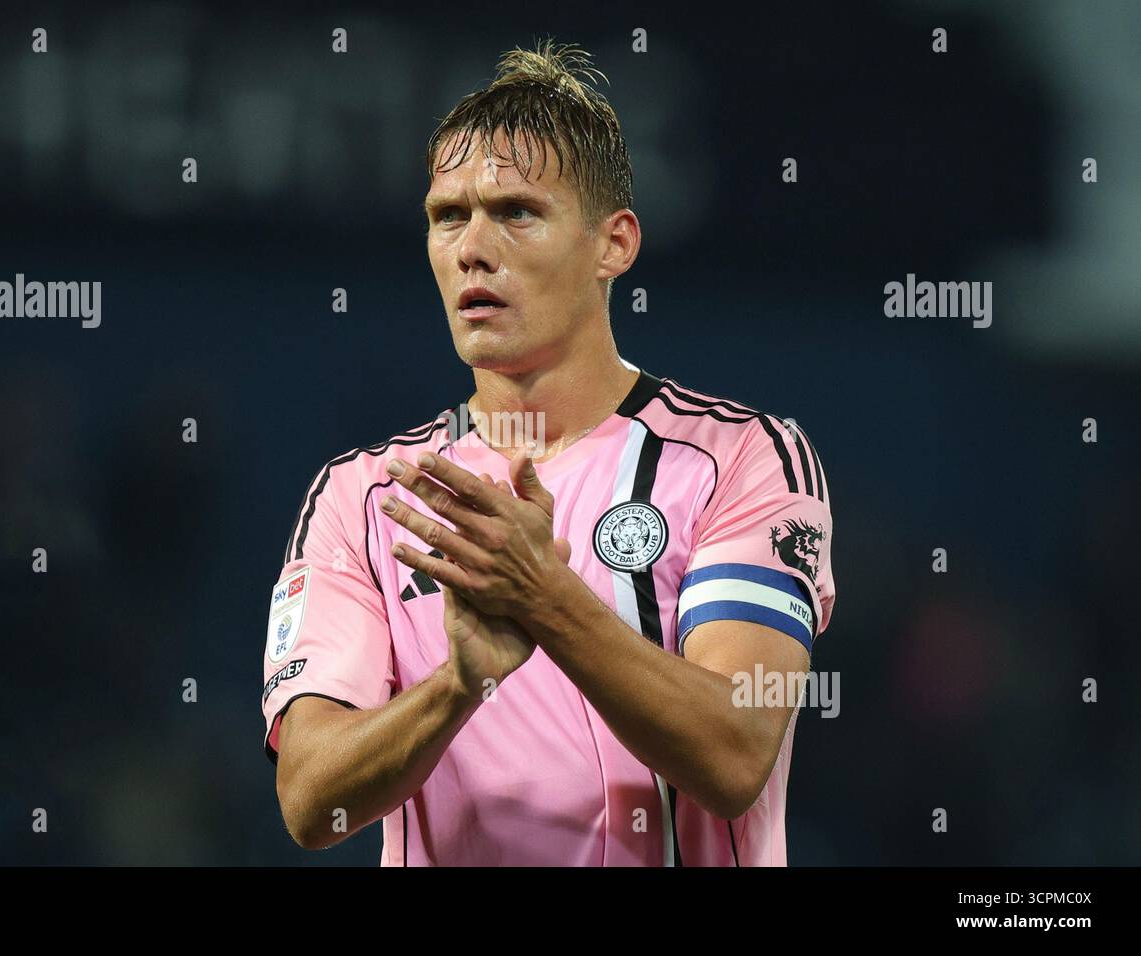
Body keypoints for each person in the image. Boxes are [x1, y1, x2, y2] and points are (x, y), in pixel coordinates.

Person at [261, 38, 836, 866]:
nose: (472, 248)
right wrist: (457, 688)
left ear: (615, 245)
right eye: (448, 216)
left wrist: (544, 600)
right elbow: (312, 802)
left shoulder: (741, 460)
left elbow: (737, 750)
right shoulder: (362, 496)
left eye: (517, 212)